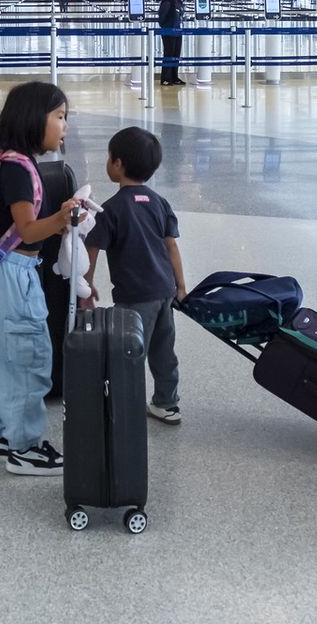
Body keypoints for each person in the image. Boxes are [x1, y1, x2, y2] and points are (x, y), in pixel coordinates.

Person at [0, 81, 83, 474]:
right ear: (36, 119)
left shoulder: (11, 161)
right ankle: (26, 447)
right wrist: (63, 219)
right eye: (61, 117)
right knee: (27, 356)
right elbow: (29, 231)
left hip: (0, 274)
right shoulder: (18, 168)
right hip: (14, 273)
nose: (65, 126)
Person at [82, 126, 187, 424]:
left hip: (133, 296)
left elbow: (92, 249)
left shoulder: (111, 209)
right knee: (164, 351)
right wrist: (181, 287)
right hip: (164, 293)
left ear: (117, 163)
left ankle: (122, 404)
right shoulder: (159, 203)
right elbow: (172, 247)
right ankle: (167, 403)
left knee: (127, 353)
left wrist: (86, 287)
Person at [157, 0, 186, 86]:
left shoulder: (178, 2)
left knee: (176, 55)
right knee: (169, 55)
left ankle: (174, 77)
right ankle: (165, 78)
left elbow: (182, 15)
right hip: (168, 33)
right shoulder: (167, 3)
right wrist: (168, 27)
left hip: (178, 32)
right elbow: (162, 19)